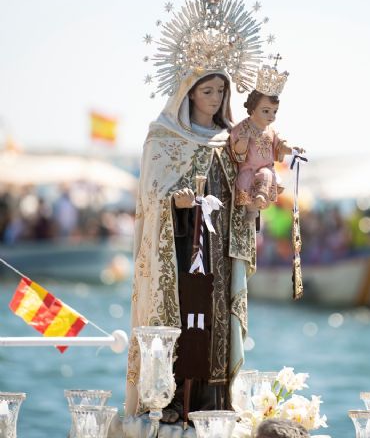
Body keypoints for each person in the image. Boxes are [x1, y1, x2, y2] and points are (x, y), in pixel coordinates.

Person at [125, 69, 256, 422]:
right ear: (189, 94)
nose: (215, 98)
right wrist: (176, 204)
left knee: (216, 318)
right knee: (181, 315)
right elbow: (151, 199)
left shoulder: (232, 140)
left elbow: (240, 192)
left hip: (221, 252)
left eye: (221, 91)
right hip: (180, 251)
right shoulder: (164, 138)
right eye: (207, 90)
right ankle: (170, 397)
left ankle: (214, 398)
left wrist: (253, 197)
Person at [230, 86, 303, 221]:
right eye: (266, 111)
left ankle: (261, 197)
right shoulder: (242, 128)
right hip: (248, 169)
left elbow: (281, 145)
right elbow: (237, 152)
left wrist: (292, 150)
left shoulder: (271, 131)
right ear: (252, 109)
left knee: (267, 174)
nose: (271, 116)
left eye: (274, 112)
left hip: (267, 168)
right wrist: (243, 142)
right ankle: (253, 208)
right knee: (245, 182)